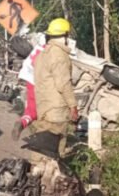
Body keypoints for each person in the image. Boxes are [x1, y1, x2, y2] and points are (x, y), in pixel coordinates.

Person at [28, 18, 79, 157]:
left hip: (43, 108)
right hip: (56, 110)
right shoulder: (59, 55)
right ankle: (50, 174)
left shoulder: (43, 54)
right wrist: (73, 106)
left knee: (42, 146)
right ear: (65, 36)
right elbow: (63, 84)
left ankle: (34, 173)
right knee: (54, 149)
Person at [11, 36, 47, 141]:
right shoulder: (52, 49)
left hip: (29, 77)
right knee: (45, 109)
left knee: (31, 110)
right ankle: (44, 137)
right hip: (39, 79)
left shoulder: (41, 44)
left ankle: (22, 122)